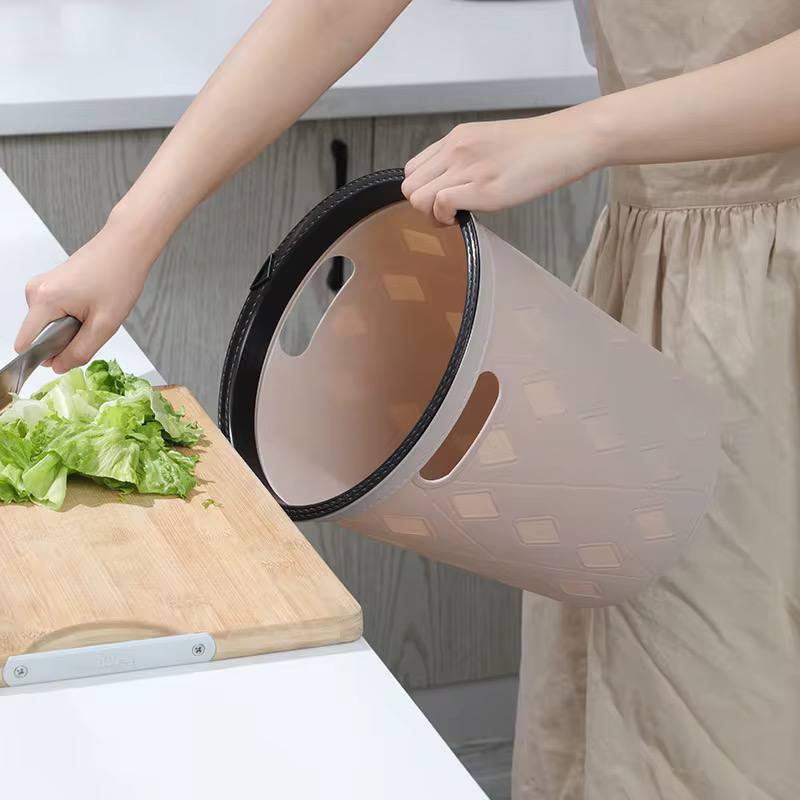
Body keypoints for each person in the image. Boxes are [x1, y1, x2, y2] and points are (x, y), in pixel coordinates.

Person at [16, 1, 800, 797]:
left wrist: (585, 131)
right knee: (629, 691)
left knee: (731, 700)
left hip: (775, 292)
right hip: (655, 264)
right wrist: (130, 232)